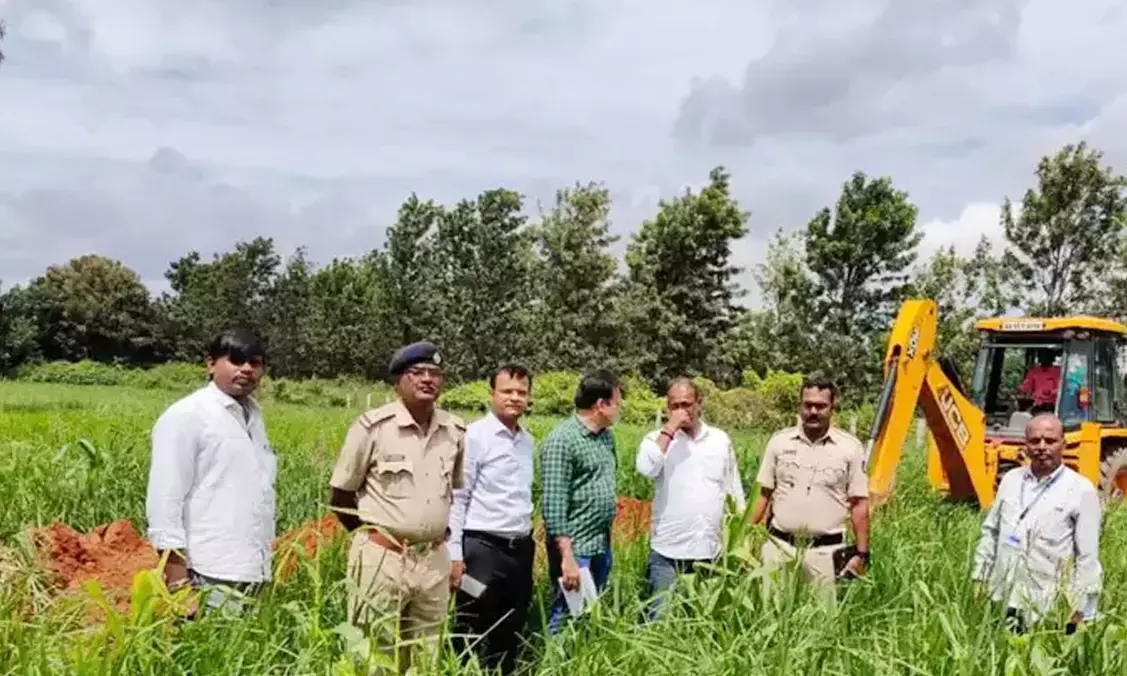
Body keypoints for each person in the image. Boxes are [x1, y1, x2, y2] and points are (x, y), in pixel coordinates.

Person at [328, 341, 466, 672]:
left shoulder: (455, 430)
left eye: (435, 373)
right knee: (374, 655)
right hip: (382, 559)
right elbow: (341, 498)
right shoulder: (373, 427)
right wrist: (374, 539)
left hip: (433, 560)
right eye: (417, 372)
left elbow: (453, 493)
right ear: (399, 380)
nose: (428, 379)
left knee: (426, 657)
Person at [145, 329, 275, 615]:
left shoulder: (254, 418)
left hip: (255, 570)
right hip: (208, 572)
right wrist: (178, 580)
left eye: (254, 363)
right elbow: (165, 498)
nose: (246, 369)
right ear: (211, 364)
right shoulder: (188, 416)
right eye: (236, 360)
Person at [971, 413, 1103, 634]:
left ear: (1064, 444)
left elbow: (1087, 558)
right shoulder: (1011, 479)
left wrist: (1082, 608)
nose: (1042, 446)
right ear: (1026, 445)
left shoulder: (1082, 490)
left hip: (1047, 607)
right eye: (1035, 441)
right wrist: (979, 577)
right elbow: (991, 532)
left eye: (1050, 441)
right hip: (1002, 599)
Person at [447, 364, 536, 674]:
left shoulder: (528, 442)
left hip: (519, 549)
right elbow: (458, 499)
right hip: (481, 549)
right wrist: (454, 555)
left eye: (521, 392)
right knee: (471, 619)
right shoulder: (474, 437)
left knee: (511, 623)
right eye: (507, 391)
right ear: (492, 394)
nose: (514, 398)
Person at [750, 375, 870, 598]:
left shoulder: (850, 448)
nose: (813, 411)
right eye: (808, 405)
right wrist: (743, 540)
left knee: (822, 623)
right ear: (800, 406)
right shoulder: (779, 442)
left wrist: (862, 554)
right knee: (770, 615)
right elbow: (763, 495)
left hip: (826, 553)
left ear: (833, 408)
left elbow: (859, 504)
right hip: (779, 548)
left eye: (821, 406)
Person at [635, 378, 745, 619]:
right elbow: (646, 468)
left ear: (699, 403)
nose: (681, 411)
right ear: (667, 408)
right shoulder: (657, 440)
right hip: (668, 551)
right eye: (674, 406)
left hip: (711, 551)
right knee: (659, 620)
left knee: (705, 621)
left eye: (686, 404)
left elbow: (733, 489)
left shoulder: (719, 440)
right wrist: (669, 430)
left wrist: (741, 539)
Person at [541, 369, 621, 635]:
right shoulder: (562, 440)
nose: (620, 410)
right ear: (601, 405)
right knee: (564, 615)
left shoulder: (606, 437)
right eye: (617, 403)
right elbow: (553, 504)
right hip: (575, 549)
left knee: (588, 612)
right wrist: (567, 557)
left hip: (600, 542)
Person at [1017, 349, 1061, 413]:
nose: (1043, 358)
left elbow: (1061, 389)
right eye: (1041, 355)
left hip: (1051, 404)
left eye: (1045, 355)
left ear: (1051, 357)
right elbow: (1027, 386)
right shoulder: (1034, 371)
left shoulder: (1057, 371)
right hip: (1036, 403)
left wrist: (1051, 392)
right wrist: (1021, 389)